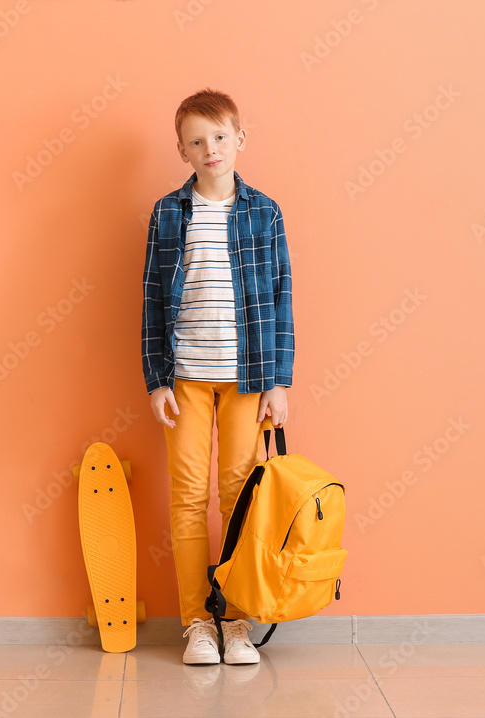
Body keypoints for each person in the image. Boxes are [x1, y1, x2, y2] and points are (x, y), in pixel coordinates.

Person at [141, 88, 294, 665]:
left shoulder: (264, 212)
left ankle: (234, 620)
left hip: (247, 378)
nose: (211, 149)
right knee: (188, 497)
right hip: (184, 378)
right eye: (197, 141)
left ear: (240, 140)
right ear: (182, 151)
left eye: (220, 137)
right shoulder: (168, 213)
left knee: (237, 495)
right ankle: (196, 622)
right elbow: (155, 299)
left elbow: (280, 299)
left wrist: (278, 381)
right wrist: (157, 379)